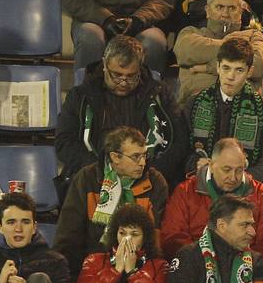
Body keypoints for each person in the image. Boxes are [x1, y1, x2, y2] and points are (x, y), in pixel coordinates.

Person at [55, 34, 184, 186]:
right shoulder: (81, 96)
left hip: (147, 179)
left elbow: (179, 142)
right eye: (116, 75)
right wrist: (101, 169)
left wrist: (146, 172)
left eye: (130, 76)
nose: (123, 82)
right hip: (94, 178)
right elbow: (64, 142)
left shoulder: (160, 94)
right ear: (104, 64)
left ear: (140, 68)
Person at [55, 125, 170, 278]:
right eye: (136, 157)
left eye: (144, 155)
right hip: (93, 269)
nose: (142, 163)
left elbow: (156, 241)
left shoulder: (155, 182)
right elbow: (68, 236)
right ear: (115, 157)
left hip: (141, 270)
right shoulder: (87, 179)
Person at [160, 138, 263, 271]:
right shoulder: (185, 192)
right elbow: (173, 238)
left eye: (239, 170)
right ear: (211, 165)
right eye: (227, 170)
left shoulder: (260, 195)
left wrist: (240, 268)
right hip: (197, 269)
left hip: (245, 272)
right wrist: (206, 264)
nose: (233, 177)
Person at [185, 38, 263, 187]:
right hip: (201, 187)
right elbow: (181, 152)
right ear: (217, 67)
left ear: (250, 71)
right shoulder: (194, 103)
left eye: (239, 70)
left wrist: (237, 178)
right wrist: (195, 163)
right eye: (226, 68)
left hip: (244, 193)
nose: (230, 76)